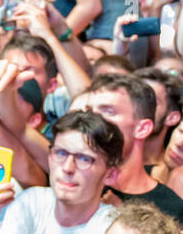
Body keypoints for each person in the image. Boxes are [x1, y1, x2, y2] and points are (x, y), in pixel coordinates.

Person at [77, 74, 183, 223]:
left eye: (109, 112)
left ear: (142, 128)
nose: (93, 120)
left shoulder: (169, 210)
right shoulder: (73, 180)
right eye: (89, 111)